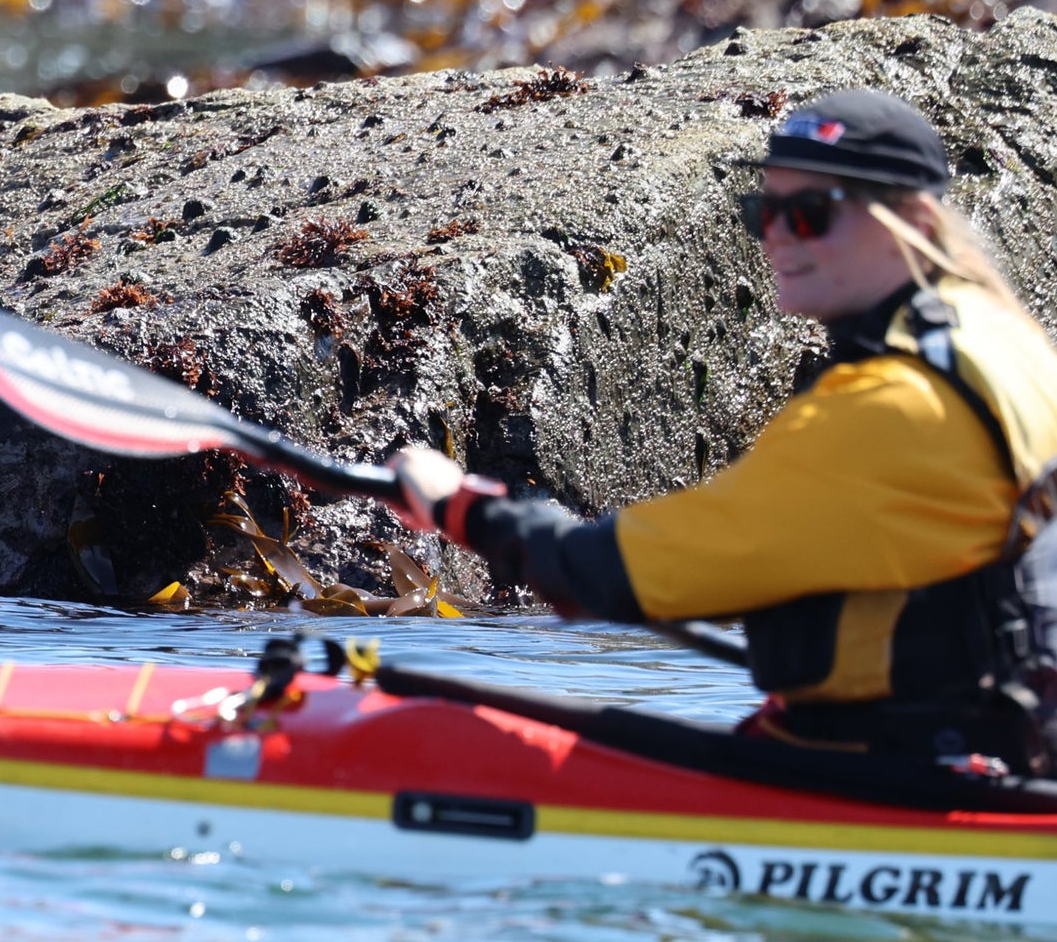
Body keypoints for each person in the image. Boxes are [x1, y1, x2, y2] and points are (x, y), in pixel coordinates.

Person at [390, 88, 1057, 772]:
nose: (777, 238)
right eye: (766, 213)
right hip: (1006, 748)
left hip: (895, 771)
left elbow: (605, 575)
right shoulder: (1008, 340)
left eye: (810, 215)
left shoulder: (885, 406)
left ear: (910, 219)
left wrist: (456, 506)